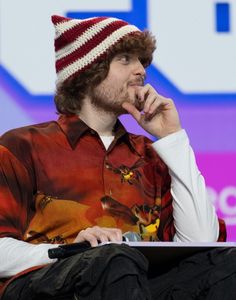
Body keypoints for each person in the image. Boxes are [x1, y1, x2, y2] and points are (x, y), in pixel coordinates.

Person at [0, 15, 233, 300]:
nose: (141, 71)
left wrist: (173, 138)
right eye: (125, 59)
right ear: (87, 71)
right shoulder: (24, 146)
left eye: (142, 62)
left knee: (226, 265)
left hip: (134, 282)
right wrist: (71, 249)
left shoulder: (151, 155)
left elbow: (202, 243)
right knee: (113, 260)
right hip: (48, 284)